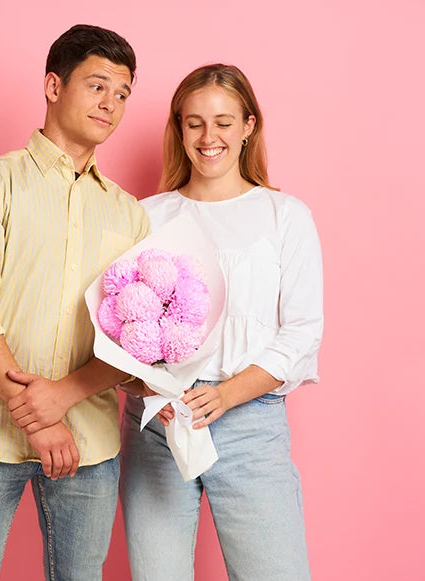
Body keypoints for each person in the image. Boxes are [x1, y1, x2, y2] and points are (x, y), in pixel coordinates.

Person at [0, 24, 149, 581]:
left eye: (122, 93)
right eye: (97, 86)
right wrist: (36, 414)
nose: (111, 103)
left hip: (89, 442)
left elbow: (134, 338)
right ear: (54, 86)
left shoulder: (129, 215)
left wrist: (65, 399)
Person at [120, 64, 323, 581]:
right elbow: (118, 321)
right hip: (160, 421)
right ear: (179, 129)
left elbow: (302, 332)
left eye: (224, 122)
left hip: (251, 422)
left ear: (249, 126)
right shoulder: (144, 216)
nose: (208, 137)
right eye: (194, 123)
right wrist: (147, 388)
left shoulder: (285, 215)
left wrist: (228, 394)